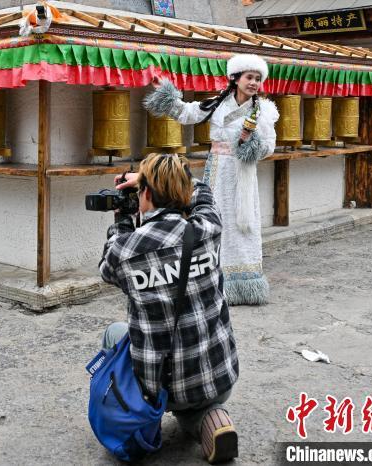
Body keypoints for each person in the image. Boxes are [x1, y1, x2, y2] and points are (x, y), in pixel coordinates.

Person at [99, 153, 239, 464]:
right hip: (218, 378)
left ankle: (140, 419)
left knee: (113, 334)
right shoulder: (208, 227)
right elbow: (203, 193)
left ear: (146, 194)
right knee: (194, 397)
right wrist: (158, 178)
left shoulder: (126, 249)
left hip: (161, 387)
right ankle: (209, 417)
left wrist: (123, 217)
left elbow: (108, 266)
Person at [142, 54, 279, 305]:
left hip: (242, 174)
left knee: (242, 225)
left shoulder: (263, 111)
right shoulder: (217, 104)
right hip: (217, 171)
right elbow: (186, 113)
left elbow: (269, 146)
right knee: (212, 220)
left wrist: (249, 144)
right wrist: (165, 91)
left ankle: (244, 284)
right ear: (235, 78)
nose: (254, 83)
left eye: (258, 79)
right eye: (249, 77)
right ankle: (212, 281)